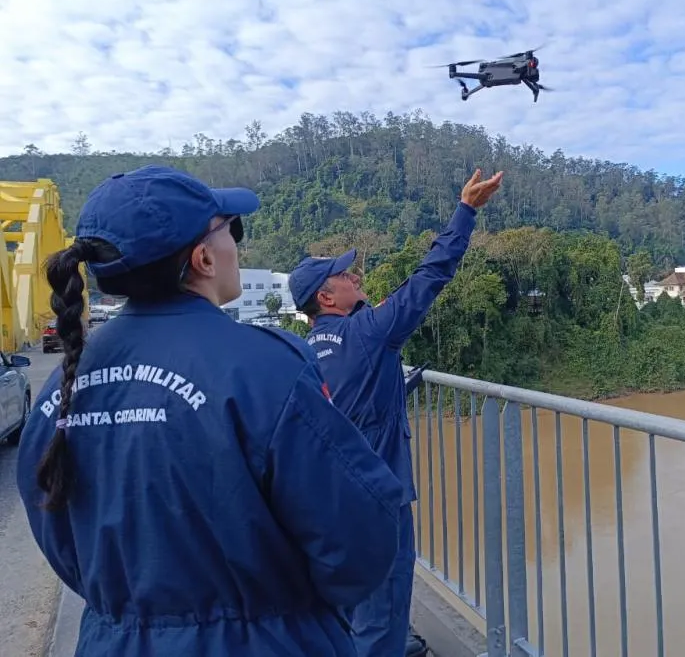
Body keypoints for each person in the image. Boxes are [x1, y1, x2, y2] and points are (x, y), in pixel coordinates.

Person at [15, 165, 406, 656]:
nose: (236, 244)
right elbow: (359, 537)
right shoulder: (266, 368)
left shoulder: (61, 389)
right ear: (203, 258)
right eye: (230, 229)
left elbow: (57, 536)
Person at [288, 167, 504, 657]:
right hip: (377, 498)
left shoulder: (305, 350)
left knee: (352, 608)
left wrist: (395, 388)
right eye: (345, 275)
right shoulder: (367, 333)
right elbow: (429, 278)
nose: (355, 276)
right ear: (326, 297)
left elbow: (342, 407)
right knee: (383, 615)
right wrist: (465, 212)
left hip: (328, 502)